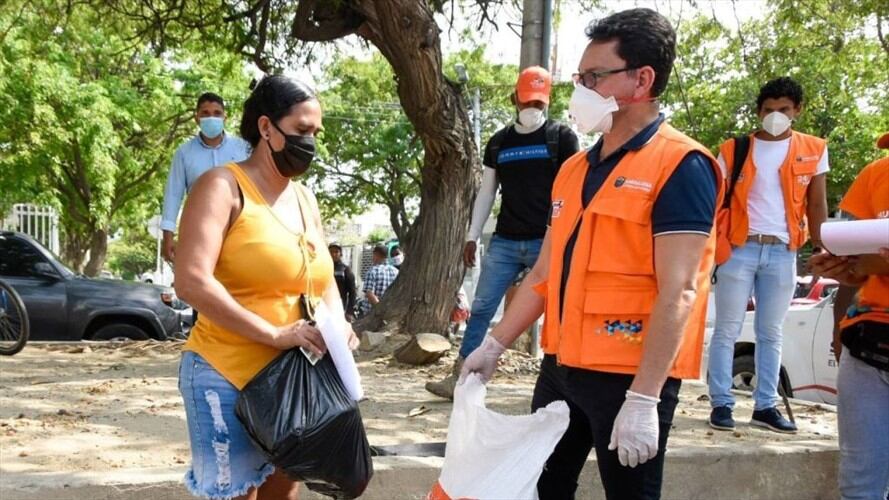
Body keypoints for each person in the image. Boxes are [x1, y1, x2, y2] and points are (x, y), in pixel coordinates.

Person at [461, 9, 721, 500]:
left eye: (594, 76)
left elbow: (680, 289)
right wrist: (495, 343)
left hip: (628, 377)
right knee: (544, 487)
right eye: (580, 77)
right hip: (561, 366)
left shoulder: (680, 165)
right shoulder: (576, 168)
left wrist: (644, 397)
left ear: (642, 79)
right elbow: (545, 270)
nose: (580, 88)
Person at [174, 75, 359, 500]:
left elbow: (323, 277)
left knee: (280, 496)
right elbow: (191, 281)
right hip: (226, 373)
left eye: (315, 133)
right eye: (300, 131)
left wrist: (339, 325)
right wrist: (274, 334)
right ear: (265, 128)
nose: (310, 142)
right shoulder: (221, 187)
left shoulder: (305, 199)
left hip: (292, 384)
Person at [426, 65, 580, 399]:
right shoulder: (499, 142)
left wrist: (571, 237)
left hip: (548, 240)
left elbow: (576, 189)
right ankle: (461, 378)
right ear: (514, 98)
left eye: (538, 103)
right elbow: (486, 192)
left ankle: (566, 385)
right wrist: (472, 234)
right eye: (527, 101)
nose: (532, 109)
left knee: (560, 310)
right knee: (481, 308)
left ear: (547, 101)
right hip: (505, 242)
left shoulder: (562, 137)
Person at [707, 77, 830, 434]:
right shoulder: (734, 149)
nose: (775, 116)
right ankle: (721, 403)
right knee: (727, 329)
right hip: (739, 248)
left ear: (797, 111)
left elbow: (817, 203)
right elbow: (713, 199)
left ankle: (765, 405)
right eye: (769, 110)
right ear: (759, 112)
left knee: (771, 332)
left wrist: (824, 246)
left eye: (784, 110)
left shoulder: (814, 148)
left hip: (783, 251)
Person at [809, 132, 889, 500]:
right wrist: (844, 267)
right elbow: (857, 263)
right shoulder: (876, 174)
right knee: (859, 486)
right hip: (868, 350)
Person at [161, 92, 251, 264]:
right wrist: (168, 236)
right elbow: (173, 195)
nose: (211, 118)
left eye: (217, 113)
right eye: (205, 113)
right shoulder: (184, 153)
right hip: (199, 232)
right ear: (197, 118)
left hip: (238, 229)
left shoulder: (243, 149)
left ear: (225, 117)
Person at [356, 245, 399, 318]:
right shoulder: (396, 271)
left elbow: (369, 294)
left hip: (372, 313)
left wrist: (380, 309)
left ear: (376, 254)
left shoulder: (372, 271)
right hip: (389, 311)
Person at [329, 243, 358, 321]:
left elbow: (353, 292)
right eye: (331, 252)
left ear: (340, 254)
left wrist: (349, 311)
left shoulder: (345, 270)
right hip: (325, 306)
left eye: (336, 252)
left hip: (340, 306)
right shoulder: (324, 268)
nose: (333, 254)